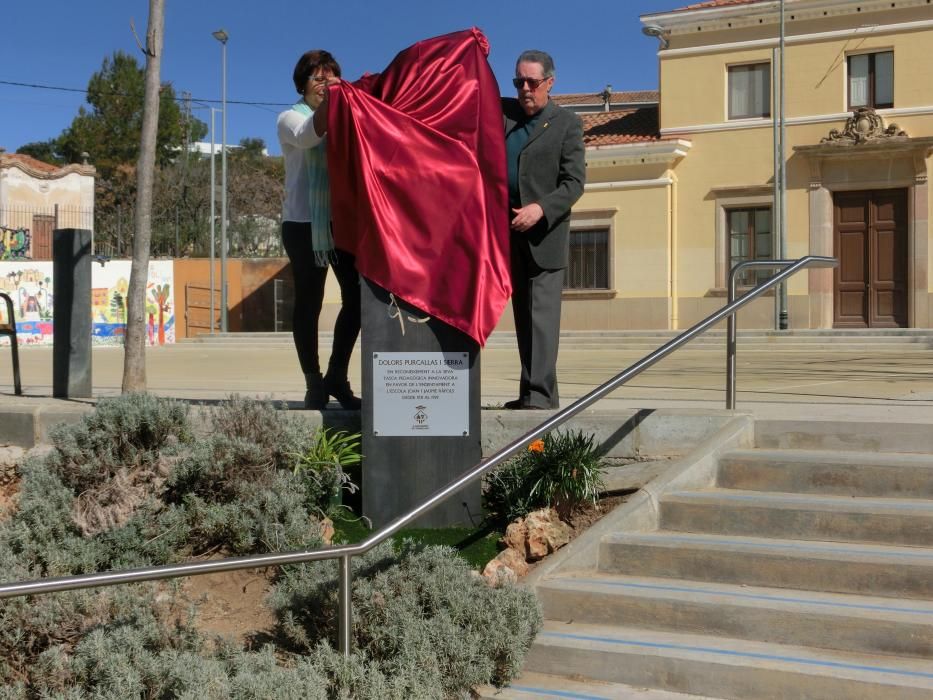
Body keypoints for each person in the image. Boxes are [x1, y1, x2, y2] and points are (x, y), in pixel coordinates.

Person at [277, 49, 361, 410]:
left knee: (358, 299)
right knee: (309, 303)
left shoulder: (346, 117)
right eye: (317, 78)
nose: (324, 84)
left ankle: (336, 377)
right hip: (301, 224)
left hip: (340, 221)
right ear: (303, 83)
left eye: (330, 76)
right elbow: (311, 134)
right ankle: (313, 382)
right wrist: (336, 98)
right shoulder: (288, 118)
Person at [502, 50, 585, 410]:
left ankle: (540, 397)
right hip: (506, 235)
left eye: (532, 82)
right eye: (518, 81)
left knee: (542, 320)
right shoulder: (502, 115)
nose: (524, 89)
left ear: (549, 83)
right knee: (524, 317)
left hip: (544, 237)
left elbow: (574, 183)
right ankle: (532, 393)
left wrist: (540, 208)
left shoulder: (567, 123)